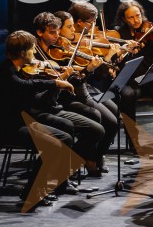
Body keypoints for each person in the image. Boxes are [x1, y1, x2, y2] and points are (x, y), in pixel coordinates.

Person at [0, 30, 75, 207]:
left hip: (22, 122)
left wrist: (54, 85)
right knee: (55, 144)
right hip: (10, 128)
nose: (35, 52)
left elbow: (29, 92)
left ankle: (50, 184)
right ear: (23, 53)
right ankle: (31, 192)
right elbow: (24, 85)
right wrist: (56, 82)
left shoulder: (16, 69)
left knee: (65, 138)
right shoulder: (5, 72)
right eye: (32, 49)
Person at [34, 12, 117, 176]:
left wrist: (88, 69)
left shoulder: (59, 50)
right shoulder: (36, 55)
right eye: (52, 32)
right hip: (59, 100)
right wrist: (78, 73)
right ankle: (83, 160)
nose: (57, 36)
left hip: (68, 95)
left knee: (111, 118)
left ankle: (88, 157)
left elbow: (76, 78)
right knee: (95, 117)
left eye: (57, 32)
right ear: (39, 32)